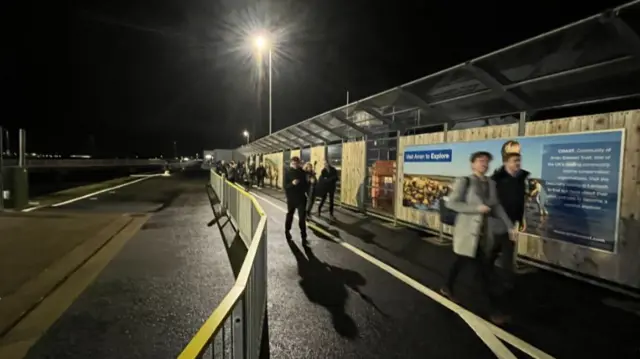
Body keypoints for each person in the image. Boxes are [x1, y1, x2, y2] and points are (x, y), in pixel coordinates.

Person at [440, 151, 515, 325]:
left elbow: (496, 206)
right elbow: (452, 203)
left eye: (486, 161)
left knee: (461, 262)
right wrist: (476, 208)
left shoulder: (490, 183)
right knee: (483, 273)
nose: (484, 164)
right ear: (472, 164)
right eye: (480, 161)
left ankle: (447, 287)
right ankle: (493, 312)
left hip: (483, 235)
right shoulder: (464, 181)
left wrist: (509, 225)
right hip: (468, 233)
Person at [491, 151, 530, 291]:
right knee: (493, 251)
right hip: (497, 222)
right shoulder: (497, 180)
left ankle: (507, 283)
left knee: (508, 253)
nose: (518, 164)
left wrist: (522, 219)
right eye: (515, 161)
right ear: (506, 163)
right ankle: (485, 275)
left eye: (519, 161)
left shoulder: (520, 180)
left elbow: (520, 201)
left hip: (512, 223)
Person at [284, 157, 309, 243]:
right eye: (294, 163)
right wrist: (292, 183)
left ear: (298, 163)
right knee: (290, 215)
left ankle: (304, 236)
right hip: (291, 198)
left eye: (297, 163)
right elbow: (285, 186)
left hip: (301, 198)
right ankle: (287, 231)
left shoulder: (302, 172)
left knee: (302, 218)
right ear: (291, 163)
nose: (295, 164)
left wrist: (308, 189)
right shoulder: (287, 172)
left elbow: (306, 184)